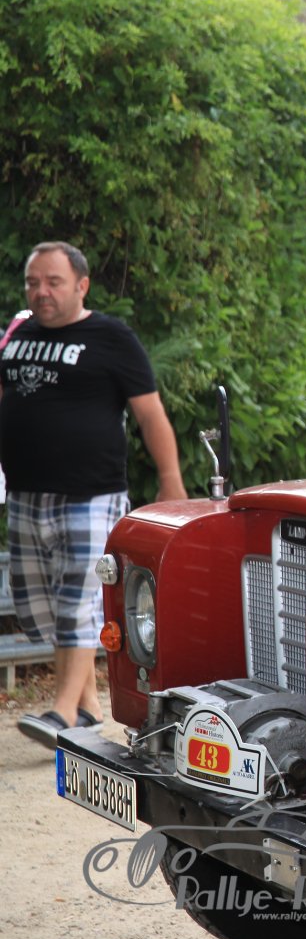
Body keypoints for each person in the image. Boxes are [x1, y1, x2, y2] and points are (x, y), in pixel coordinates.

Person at [1, 241, 187, 748]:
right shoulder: (17, 336)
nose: (41, 292)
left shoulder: (111, 337)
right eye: (33, 283)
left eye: (53, 282)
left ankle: (63, 712)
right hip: (26, 494)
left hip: (90, 494)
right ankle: (87, 704)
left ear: (82, 285)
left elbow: (150, 414)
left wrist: (170, 480)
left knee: (77, 602)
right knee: (39, 607)